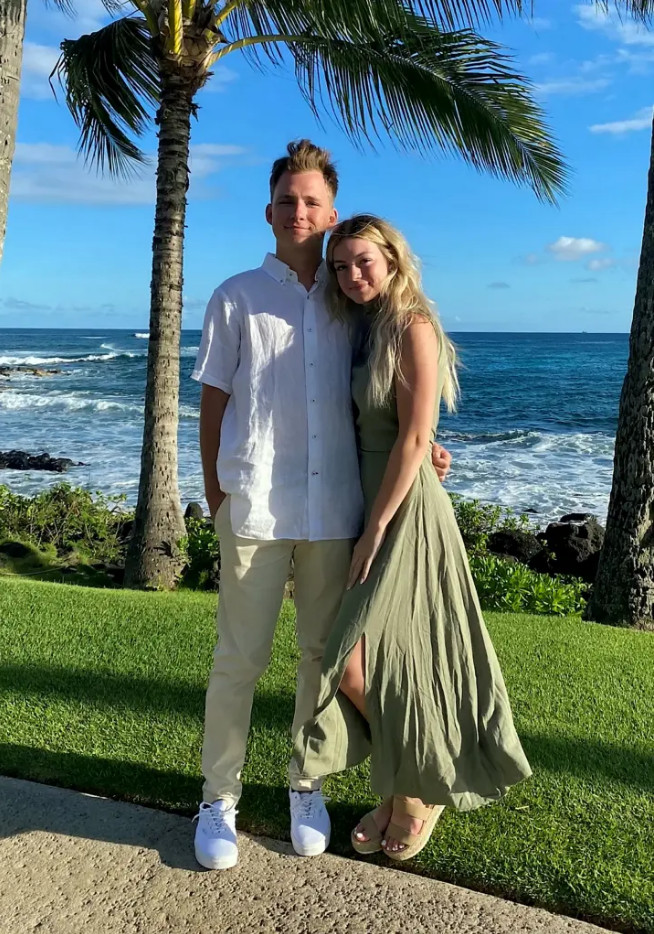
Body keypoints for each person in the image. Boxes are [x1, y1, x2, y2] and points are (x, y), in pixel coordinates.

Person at [191, 141, 452, 871]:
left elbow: (389, 393)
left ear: (332, 214)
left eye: (311, 202)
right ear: (268, 211)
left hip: (336, 508)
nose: (298, 211)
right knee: (238, 659)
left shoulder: (354, 305)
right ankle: (218, 798)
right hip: (254, 507)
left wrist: (426, 443)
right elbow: (212, 403)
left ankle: (306, 785)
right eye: (287, 200)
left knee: (320, 657)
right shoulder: (235, 296)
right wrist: (216, 494)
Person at [290, 214, 532, 862]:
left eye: (363, 262)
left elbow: (414, 436)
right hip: (368, 498)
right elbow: (402, 428)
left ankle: (417, 791)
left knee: (353, 659)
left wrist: (376, 530)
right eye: (340, 267)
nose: (351, 275)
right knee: (373, 662)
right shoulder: (362, 327)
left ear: (393, 260)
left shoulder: (411, 325)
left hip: (400, 512)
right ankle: (413, 783)